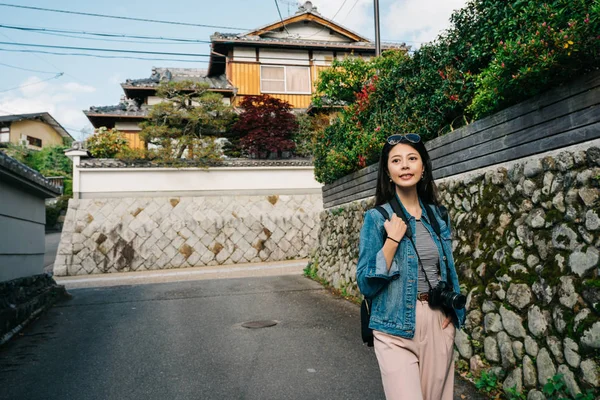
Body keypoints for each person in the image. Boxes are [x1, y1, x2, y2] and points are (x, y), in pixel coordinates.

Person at [356, 133, 466, 400]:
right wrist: (392, 239)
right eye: (396, 160)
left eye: (412, 158)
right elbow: (365, 283)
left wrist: (452, 313)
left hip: (437, 320)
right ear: (388, 172)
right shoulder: (376, 218)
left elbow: (448, 270)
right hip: (393, 327)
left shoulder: (438, 216)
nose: (405, 165)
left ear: (423, 167)